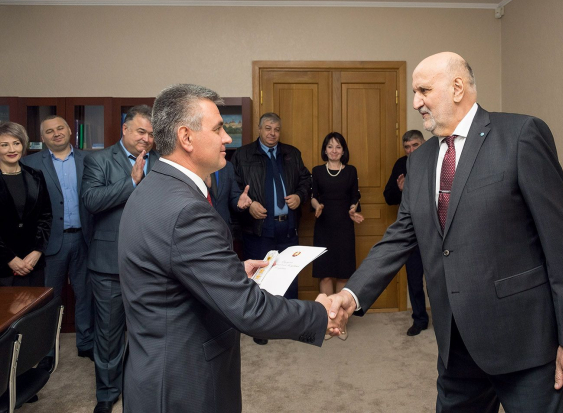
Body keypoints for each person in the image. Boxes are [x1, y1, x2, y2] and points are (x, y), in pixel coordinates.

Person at [328, 52, 563, 412]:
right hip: (456, 346)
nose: (415, 102)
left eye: (424, 90)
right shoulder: (419, 160)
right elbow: (399, 237)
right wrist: (351, 295)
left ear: (457, 87)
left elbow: (562, 243)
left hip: (525, 344)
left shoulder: (520, 135)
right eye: (414, 92)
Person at [118, 83, 345, 413]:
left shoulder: (154, 185)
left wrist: (231, 272)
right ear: (186, 137)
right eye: (218, 129)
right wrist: (320, 314)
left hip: (154, 370)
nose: (227, 138)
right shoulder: (187, 210)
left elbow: (170, 268)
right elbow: (248, 310)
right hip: (183, 383)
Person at [81, 105, 159, 413]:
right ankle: (107, 393)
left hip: (152, 263)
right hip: (108, 264)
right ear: (125, 129)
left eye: (151, 134)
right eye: (141, 131)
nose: (146, 139)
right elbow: (91, 200)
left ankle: (143, 387)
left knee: (150, 332)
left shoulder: (161, 161)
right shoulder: (98, 160)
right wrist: (132, 182)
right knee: (109, 334)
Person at [231, 112, 311, 344]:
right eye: (267, 128)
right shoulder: (243, 155)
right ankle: (261, 330)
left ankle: (292, 327)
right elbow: (233, 188)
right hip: (257, 229)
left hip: (288, 228)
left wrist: (300, 195)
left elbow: (306, 181)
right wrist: (249, 205)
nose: (272, 133)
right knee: (260, 280)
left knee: (289, 277)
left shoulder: (292, 154)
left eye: (276, 129)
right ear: (259, 129)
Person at [22, 116, 95, 365]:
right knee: (48, 300)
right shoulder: (29, 163)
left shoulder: (90, 160)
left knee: (85, 294)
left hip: (85, 238)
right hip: (49, 242)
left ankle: (86, 343)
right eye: (50, 131)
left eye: (60, 128)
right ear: (42, 137)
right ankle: (47, 350)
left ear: (70, 130)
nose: (56, 133)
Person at [311, 132, 363, 317]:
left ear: (343, 151)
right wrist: (317, 206)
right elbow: (313, 197)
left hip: (344, 227)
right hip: (323, 226)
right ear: (325, 150)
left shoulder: (351, 171)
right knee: (325, 274)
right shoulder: (317, 171)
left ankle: (340, 318)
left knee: (343, 274)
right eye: (330, 146)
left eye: (338, 147)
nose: (334, 150)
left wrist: (353, 209)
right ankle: (327, 318)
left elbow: (355, 197)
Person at [383, 130, 429, 336]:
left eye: (415, 145)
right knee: (414, 279)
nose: (411, 150)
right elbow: (388, 197)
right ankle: (419, 319)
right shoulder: (401, 164)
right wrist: (401, 190)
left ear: (424, 143)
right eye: (407, 147)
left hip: (434, 231)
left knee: (437, 280)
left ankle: (445, 319)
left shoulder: (435, 161)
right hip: (411, 232)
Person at [0, 121, 52, 286]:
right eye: (4, 145)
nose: (12, 149)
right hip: (2, 267)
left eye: (16, 143)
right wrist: (10, 258)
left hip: (32, 264)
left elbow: (46, 216)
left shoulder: (36, 176)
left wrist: (37, 251)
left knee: (36, 303)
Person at [205, 160, 252, 232]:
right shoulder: (191, 166)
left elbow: (234, 195)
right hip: (199, 229)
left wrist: (238, 202)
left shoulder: (227, 166)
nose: (223, 148)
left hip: (224, 229)